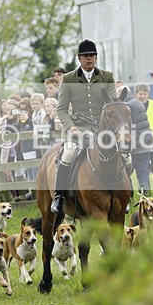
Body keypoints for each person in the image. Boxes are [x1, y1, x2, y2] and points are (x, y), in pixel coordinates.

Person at [51, 39, 117, 215]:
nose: (90, 59)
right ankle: (59, 196)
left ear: (96, 58)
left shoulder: (107, 76)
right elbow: (62, 109)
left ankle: (122, 196)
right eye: (86, 56)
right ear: (79, 58)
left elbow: (112, 103)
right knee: (69, 153)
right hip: (76, 129)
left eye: (93, 56)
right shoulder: (68, 78)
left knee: (120, 153)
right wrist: (71, 127)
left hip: (100, 130)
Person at [121, 86, 153, 192]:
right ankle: (145, 197)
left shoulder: (126, 106)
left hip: (135, 145)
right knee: (143, 173)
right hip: (146, 143)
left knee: (126, 172)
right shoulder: (137, 102)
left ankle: (130, 197)